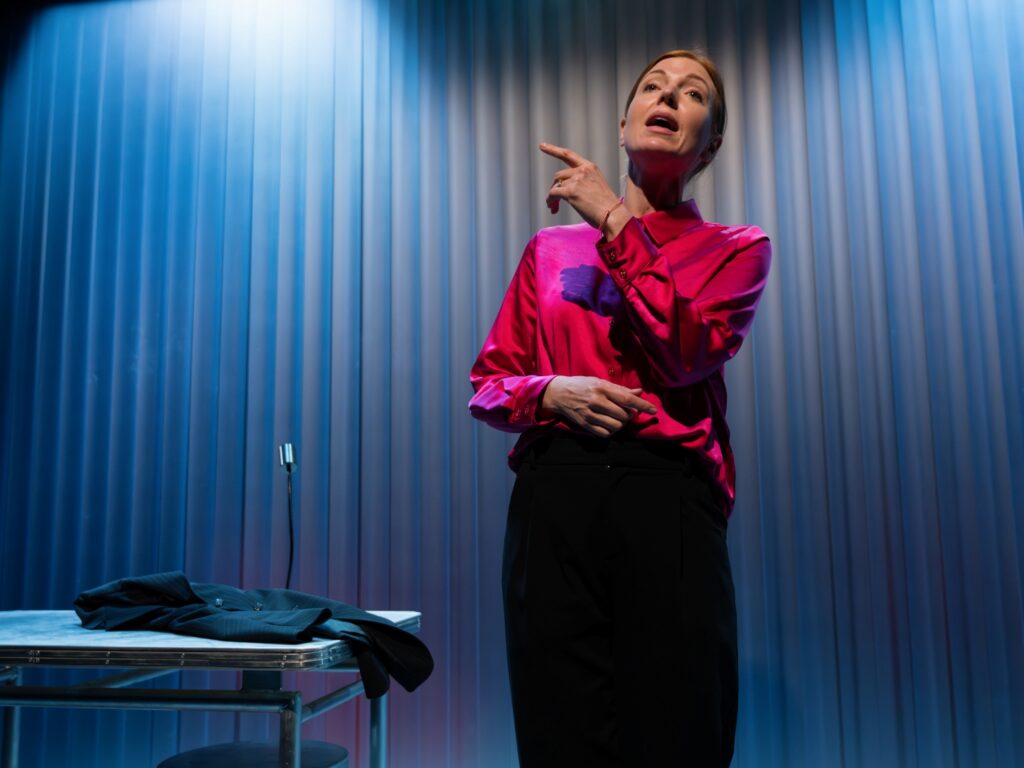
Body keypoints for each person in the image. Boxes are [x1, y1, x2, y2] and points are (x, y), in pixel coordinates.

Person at [468, 49, 771, 767]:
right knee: (559, 733)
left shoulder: (737, 249)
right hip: (555, 498)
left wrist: (612, 217)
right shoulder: (549, 250)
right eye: (653, 87)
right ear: (624, 122)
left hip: (667, 501)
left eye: (691, 94)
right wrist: (550, 391)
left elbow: (686, 353)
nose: (667, 96)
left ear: (710, 145)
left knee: (679, 732)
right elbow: (489, 383)